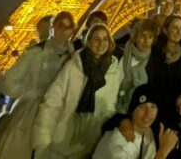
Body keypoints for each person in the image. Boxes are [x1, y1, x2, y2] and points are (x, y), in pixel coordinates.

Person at [33, 23, 123, 158]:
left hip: (95, 143)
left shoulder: (115, 71)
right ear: (89, 41)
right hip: (64, 140)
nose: (101, 43)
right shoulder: (73, 66)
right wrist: (43, 137)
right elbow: (53, 100)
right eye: (97, 39)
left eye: (105, 39)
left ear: (110, 42)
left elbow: (115, 105)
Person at [0, 10, 76, 158]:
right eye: (60, 26)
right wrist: (28, 94)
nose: (63, 30)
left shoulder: (75, 56)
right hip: (30, 116)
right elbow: (8, 82)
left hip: (57, 116)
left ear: (73, 30)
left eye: (68, 27)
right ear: (52, 27)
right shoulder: (35, 53)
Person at [92, 85, 179, 159]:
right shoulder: (117, 146)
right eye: (142, 107)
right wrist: (163, 151)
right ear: (132, 110)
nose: (148, 113)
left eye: (153, 106)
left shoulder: (149, 131)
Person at [147, 15, 181, 126]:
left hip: (175, 110)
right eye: (175, 28)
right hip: (153, 107)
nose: (179, 32)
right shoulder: (154, 51)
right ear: (165, 30)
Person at [118, 18, 156, 112]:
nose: (146, 40)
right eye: (142, 36)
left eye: (150, 37)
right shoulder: (120, 55)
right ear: (135, 37)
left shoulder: (154, 63)